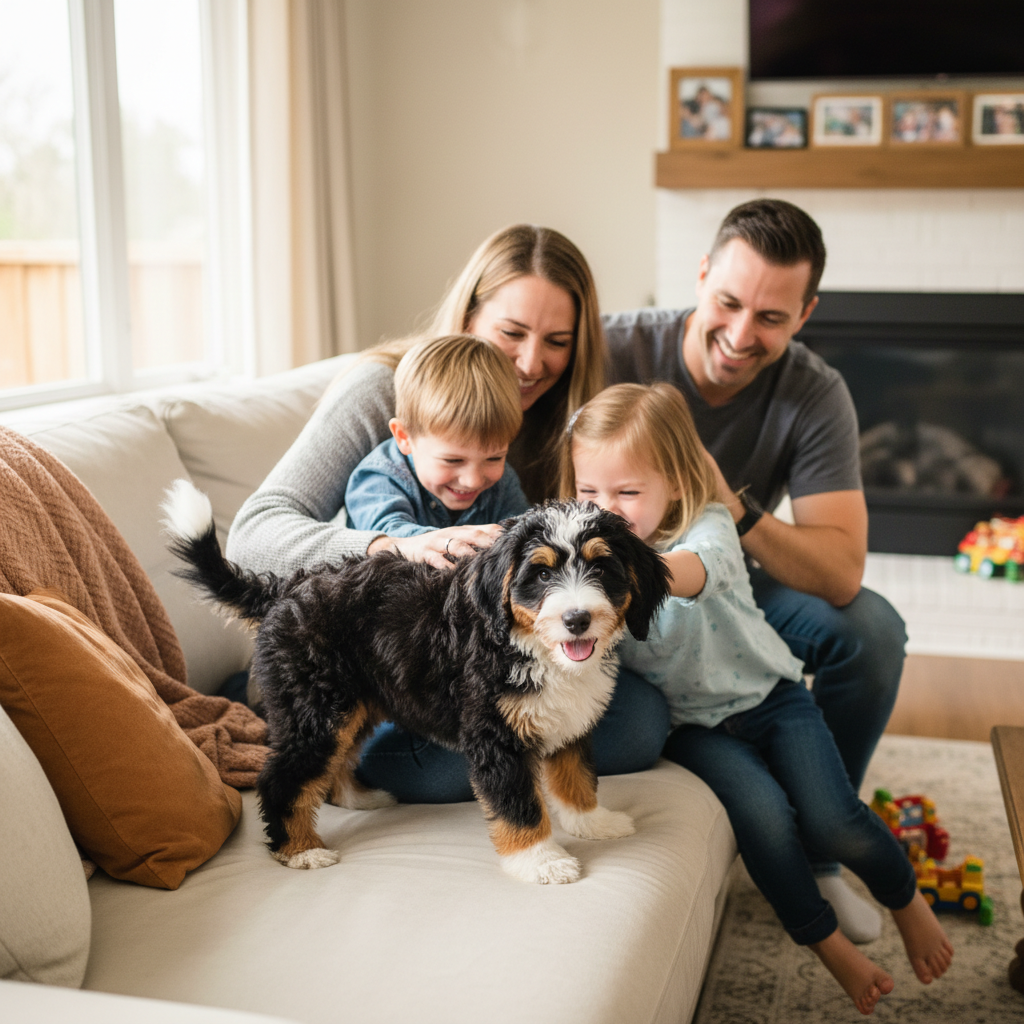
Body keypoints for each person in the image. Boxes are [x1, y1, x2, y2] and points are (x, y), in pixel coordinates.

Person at [227, 224, 670, 801]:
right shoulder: (383, 390)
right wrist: (394, 546)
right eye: (511, 332)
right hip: (379, 652)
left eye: (557, 341)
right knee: (460, 752)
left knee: (640, 722)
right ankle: (281, 704)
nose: (531, 363)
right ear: (468, 319)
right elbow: (252, 534)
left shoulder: (561, 420)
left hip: (487, 655)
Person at [563, 383, 953, 1015]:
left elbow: (694, 570)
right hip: (694, 729)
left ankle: (905, 897)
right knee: (767, 822)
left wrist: (629, 573)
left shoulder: (708, 525)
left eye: (627, 493)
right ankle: (828, 947)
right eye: (589, 492)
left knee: (831, 816)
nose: (604, 510)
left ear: (675, 482)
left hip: (769, 697)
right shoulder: (583, 557)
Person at [603, 198, 908, 942]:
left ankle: (820, 844)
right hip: (621, 586)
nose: (741, 336)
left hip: (733, 574)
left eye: (771, 317)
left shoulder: (814, 391)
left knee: (872, 628)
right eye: (728, 302)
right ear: (701, 275)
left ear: (804, 314)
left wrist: (727, 501)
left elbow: (840, 574)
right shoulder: (614, 351)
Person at [344, 334, 530, 538]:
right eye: (453, 460)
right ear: (404, 437)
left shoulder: (503, 483)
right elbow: (392, 541)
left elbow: (523, 536)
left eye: (494, 458)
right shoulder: (378, 479)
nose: (473, 480)